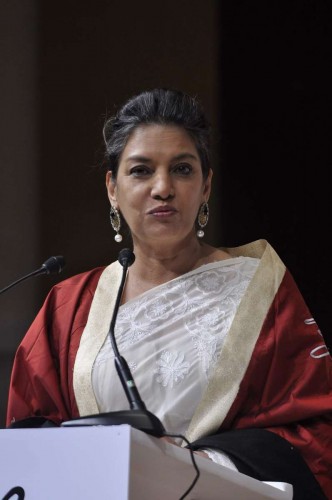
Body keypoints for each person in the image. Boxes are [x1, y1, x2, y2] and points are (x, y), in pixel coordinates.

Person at [6, 88, 332, 499]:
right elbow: (29, 435)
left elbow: (315, 431)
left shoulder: (260, 291)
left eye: (182, 169)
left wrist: (194, 466)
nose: (163, 187)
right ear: (112, 187)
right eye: (141, 171)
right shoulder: (70, 306)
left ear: (206, 184)